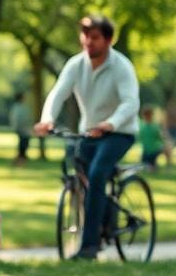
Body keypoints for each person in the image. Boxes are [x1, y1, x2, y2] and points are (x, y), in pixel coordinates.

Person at [33, 15, 140, 261]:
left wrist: (110, 123)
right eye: (85, 36)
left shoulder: (121, 66)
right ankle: (103, 217)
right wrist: (48, 118)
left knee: (97, 173)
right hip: (88, 132)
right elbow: (58, 93)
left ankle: (89, 247)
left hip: (119, 133)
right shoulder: (76, 64)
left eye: (94, 38)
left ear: (108, 40)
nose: (88, 42)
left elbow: (131, 102)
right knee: (83, 178)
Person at [8, 91, 34, 166]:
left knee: (24, 145)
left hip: (25, 129)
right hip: (22, 130)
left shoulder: (21, 107)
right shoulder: (18, 108)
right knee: (23, 145)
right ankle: (19, 161)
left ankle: (20, 160)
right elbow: (18, 120)